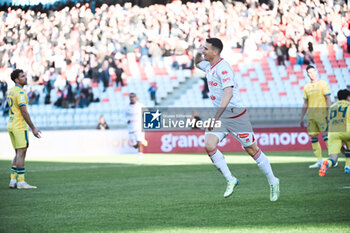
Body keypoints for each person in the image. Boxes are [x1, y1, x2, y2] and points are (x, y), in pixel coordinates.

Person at [195, 38, 279, 201]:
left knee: (252, 150)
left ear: (215, 52)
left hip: (236, 116)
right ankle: (230, 179)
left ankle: (273, 181)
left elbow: (228, 93)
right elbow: (197, 62)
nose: (203, 51)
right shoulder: (209, 66)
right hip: (221, 117)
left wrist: (215, 117)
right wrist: (198, 51)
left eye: (206, 49)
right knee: (209, 145)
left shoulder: (223, 68)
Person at [7, 69, 41, 189]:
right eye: (22, 76)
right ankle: (21, 182)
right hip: (19, 125)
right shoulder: (20, 93)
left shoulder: (10, 91)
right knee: (22, 153)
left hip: (11, 124)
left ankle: (13, 180)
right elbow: (23, 111)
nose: (25, 78)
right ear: (16, 80)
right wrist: (33, 128)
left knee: (17, 153)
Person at [300, 65, 331, 168]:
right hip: (311, 116)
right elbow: (305, 103)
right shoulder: (306, 87)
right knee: (313, 138)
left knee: (326, 136)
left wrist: (328, 112)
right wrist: (302, 117)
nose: (311, 74)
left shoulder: (323, 84)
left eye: (313, 71)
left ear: (316, 72)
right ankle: (319, 161)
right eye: (309, 72)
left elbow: (328, 99)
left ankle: (333, 159)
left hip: (321, 115)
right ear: (307, 74)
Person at [319, 89, 350, 176]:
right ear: (347, 97)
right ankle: (348, 167)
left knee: (333, 158)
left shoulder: (332, 107)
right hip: (347, 130)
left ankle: (327, 163)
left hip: (333, 132)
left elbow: (328, 120)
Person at [125, 93, 148, 163]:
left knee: (139, 143)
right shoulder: (126, 108)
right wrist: (126, 120)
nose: (132, 98)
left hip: (139, 128)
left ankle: (139, 159)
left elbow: (147, 113)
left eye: (133, 97)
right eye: (131, 97)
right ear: (129, 98)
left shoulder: (140, 106)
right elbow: (123, 117)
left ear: (136, 98)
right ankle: (142, 141)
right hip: (131, 129)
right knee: (135, 146)